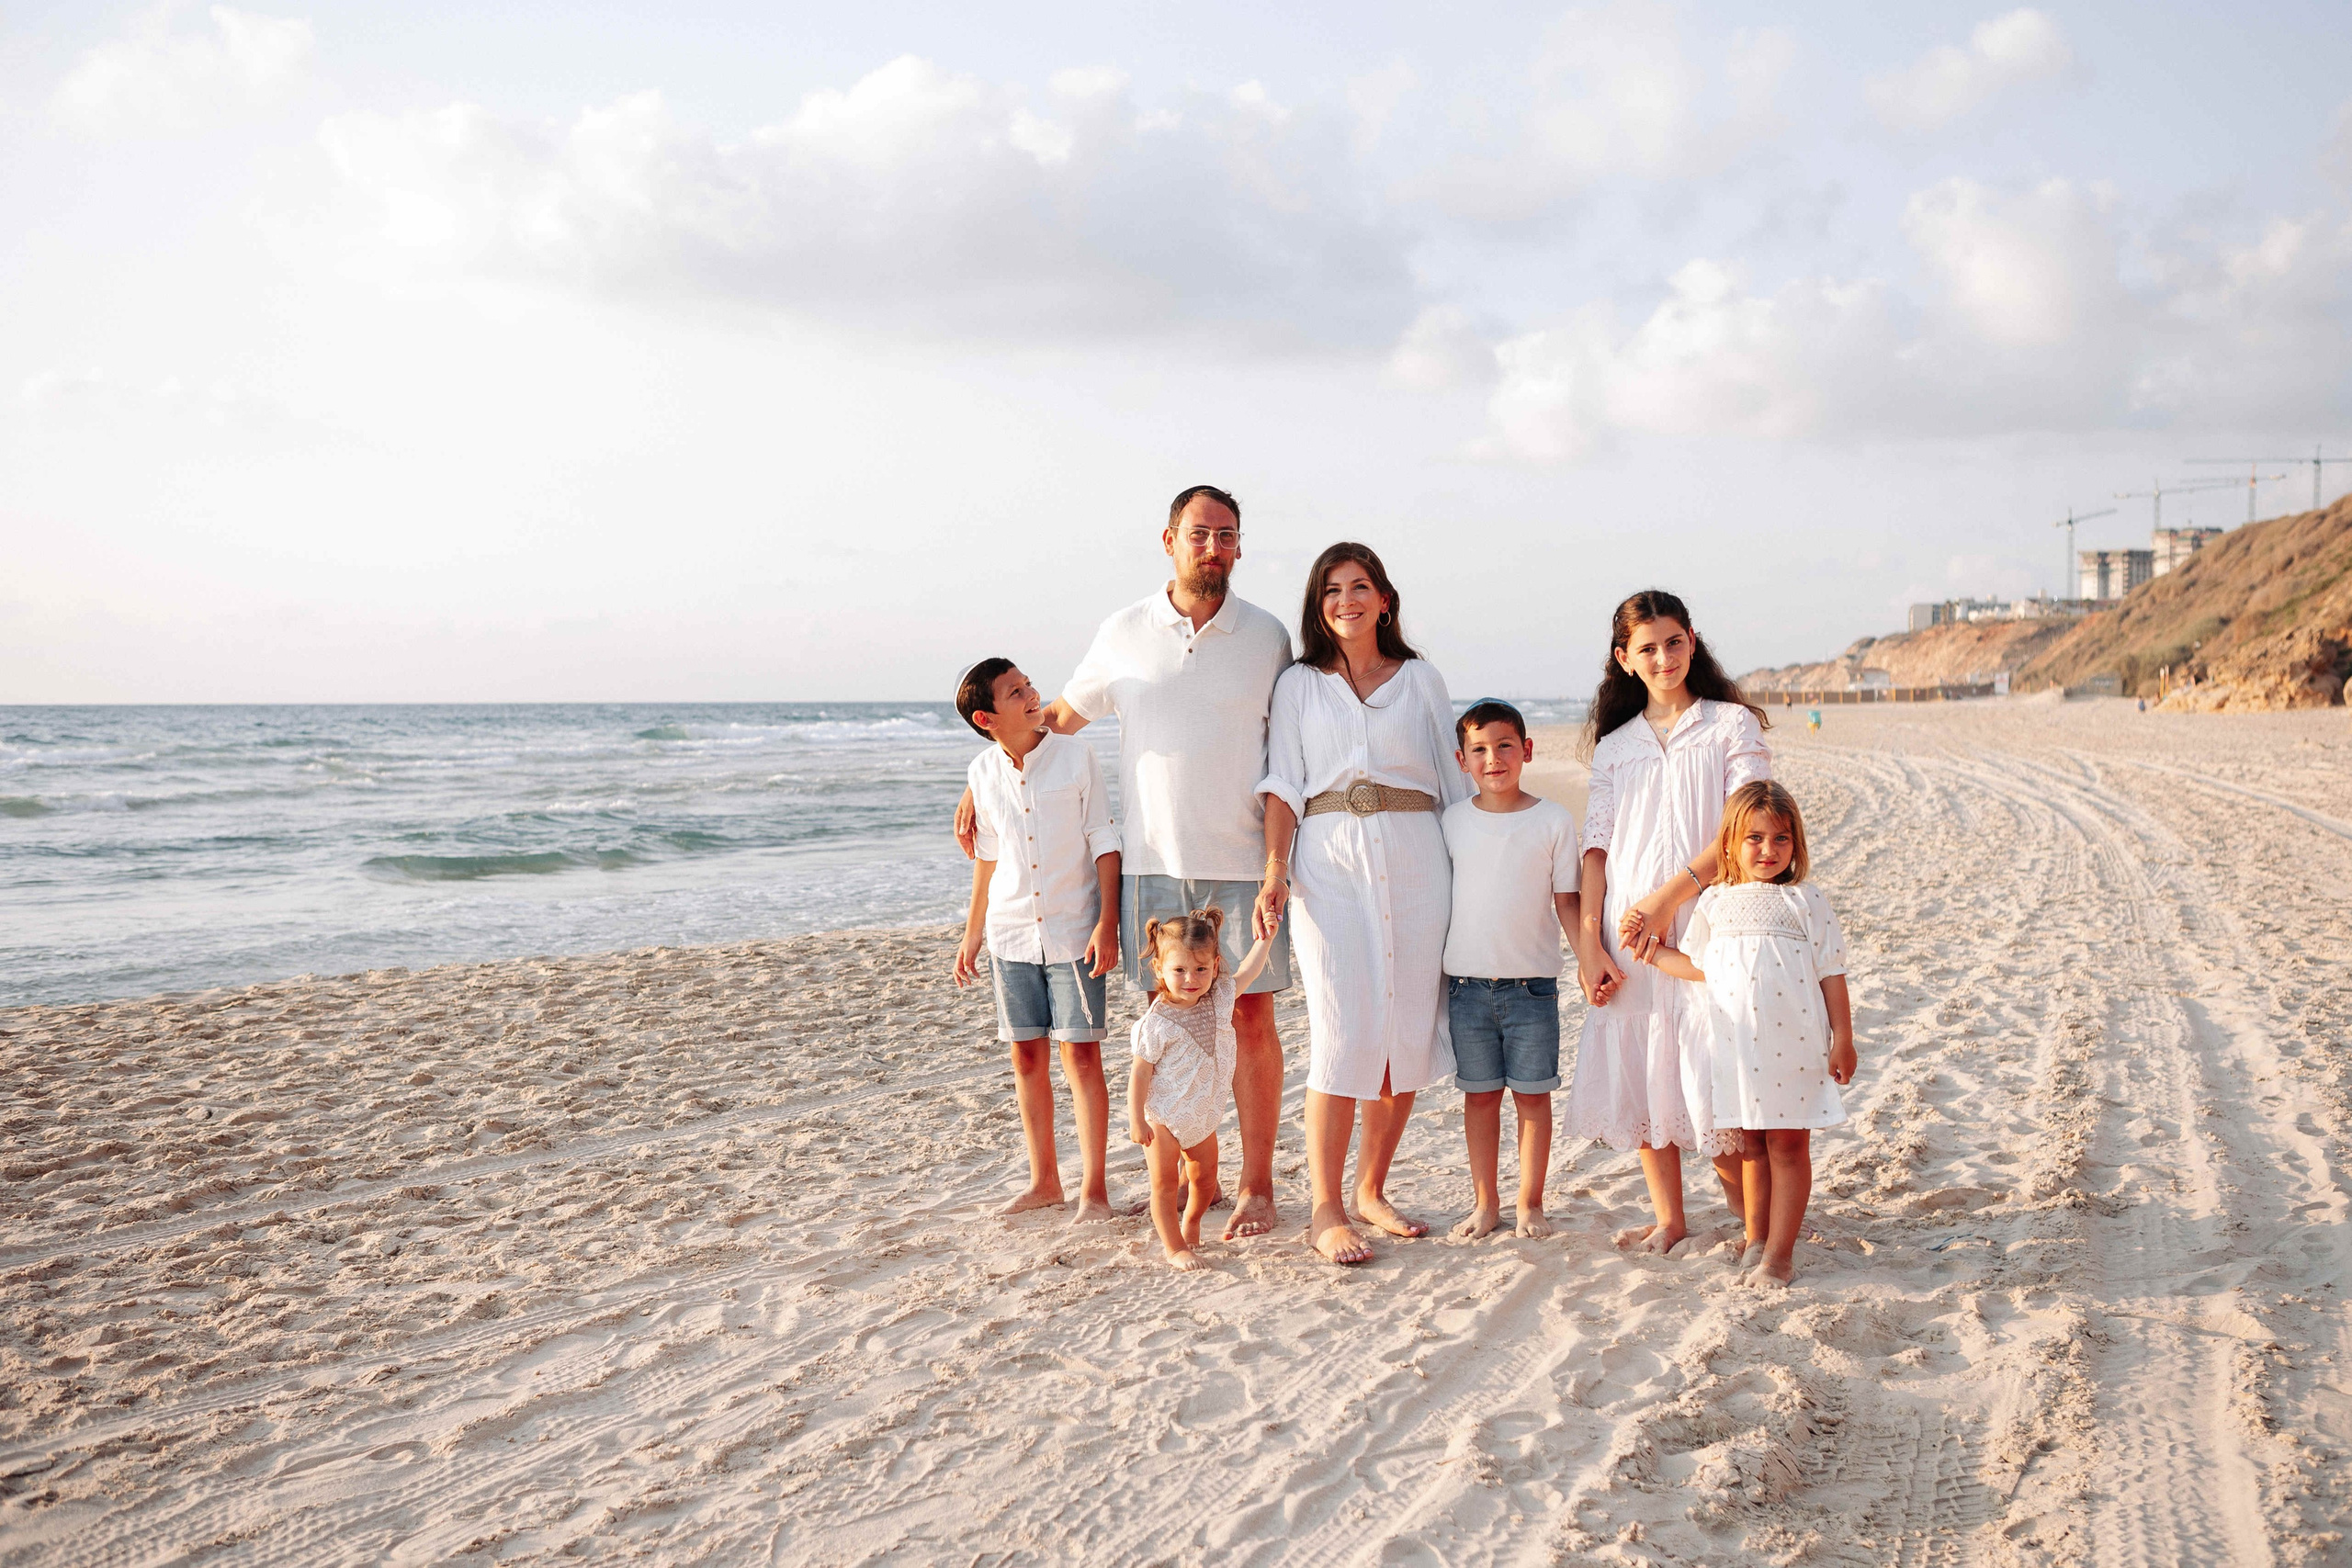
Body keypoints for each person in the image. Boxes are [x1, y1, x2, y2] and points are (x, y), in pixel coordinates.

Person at [955, 486, 1295, 1238]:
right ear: (1169, 539)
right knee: (1167, 1025)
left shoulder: (1268, 636)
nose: (1215, 547)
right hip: (1152, 862)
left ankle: (1257, 1185)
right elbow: (1053, 721)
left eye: (1228, 535)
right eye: (1200, 533)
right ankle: (1170, 1180)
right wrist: (985, 779)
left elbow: (1291, 750)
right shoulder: (1125, 630)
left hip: (1242, 858)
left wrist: (1280, 860)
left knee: (1251, 1018)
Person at [1254, 543, 1469, 1265]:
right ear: (1320, 606)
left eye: (1360, 586)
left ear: (1384, 598)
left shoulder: (1421, 680)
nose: (1346, 600)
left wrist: (1477, 874)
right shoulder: (1299, 686)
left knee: (1405, 1030)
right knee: (1342, 1032)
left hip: (1417, 864)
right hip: (1328, 867)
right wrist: (1274, 870)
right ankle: (1326, 1206)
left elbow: (1454, 780)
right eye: (1331, 590)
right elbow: (1283, 782)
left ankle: (1372, 1189)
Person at [1563, 589, 1772, 1257]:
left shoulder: (1730, 725)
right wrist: (1591, 942)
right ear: (1624, 659)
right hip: (1630, 933)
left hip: (1712, 917)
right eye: (1646, 648)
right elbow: (1596, 847)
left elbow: (1746, 828)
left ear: (1692, 640)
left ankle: (1755, 1223)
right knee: (1648, 1075)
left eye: (1673, 642)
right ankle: (1670, 1219)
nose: (1663, 657)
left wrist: (1666, 897)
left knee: (1717, 1077)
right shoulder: (1615, 747)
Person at [1639, 781, 1855, 1286]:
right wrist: (1648, 950)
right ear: (1730, 843)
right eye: (1754, 839)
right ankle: (1756, 1238)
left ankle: (1779, 1257)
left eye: (1781, 839)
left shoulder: (1806, 899)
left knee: (1787, 1147)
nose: (1768, 850)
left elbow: (1832, 972)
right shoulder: (1715, 902)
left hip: (1793, 1048)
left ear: (1795, 845)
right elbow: (1701, 967)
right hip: (1736, 1051)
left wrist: (1842, 1036)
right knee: (1752, 1146)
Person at [950, 659, 1122, 1221]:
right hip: (1010, 933)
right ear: (987, 717)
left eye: (1028, 685)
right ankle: (1045, 1181)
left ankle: (1094, 1192)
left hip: (1074, 931)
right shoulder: (981, 772)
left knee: (1082, 1056)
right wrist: (973, 933)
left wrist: (1107, 921)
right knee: (1026, 1056)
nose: (1032, 695)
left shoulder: (1076, 756)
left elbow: (1104, 839)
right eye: (1015, 692)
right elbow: (988, 857)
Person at [1439, 700, 1589, 1242]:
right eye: (1478, 749)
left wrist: (1588, 961)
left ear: (1527, 750)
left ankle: (1529, 1204)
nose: (1493, 758)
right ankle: (1485, 1204)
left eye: (1504, 746)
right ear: (1462, 760)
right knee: (1479, 1098)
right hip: (1465, 988)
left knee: (1532, 1096)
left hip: (1533, 988)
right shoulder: (1451, 821)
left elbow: (1568, 902)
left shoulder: (1552, 820)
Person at [1128, 907, 1277, 1271]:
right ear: (1160, 969)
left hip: (1201, 1115)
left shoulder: (1219, 999)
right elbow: (1139, 1075)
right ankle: (1174, 1247)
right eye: (1179, 970)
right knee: (1164, 1185)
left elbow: (1249, 972)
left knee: (1205, 1179)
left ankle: (1192, 1223)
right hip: (1163, 1116)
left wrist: (1266, 940)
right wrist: (1137, 1119)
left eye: (1201, 969)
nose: (1191, 979)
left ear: (1214, 966)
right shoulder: (1157, 1022)